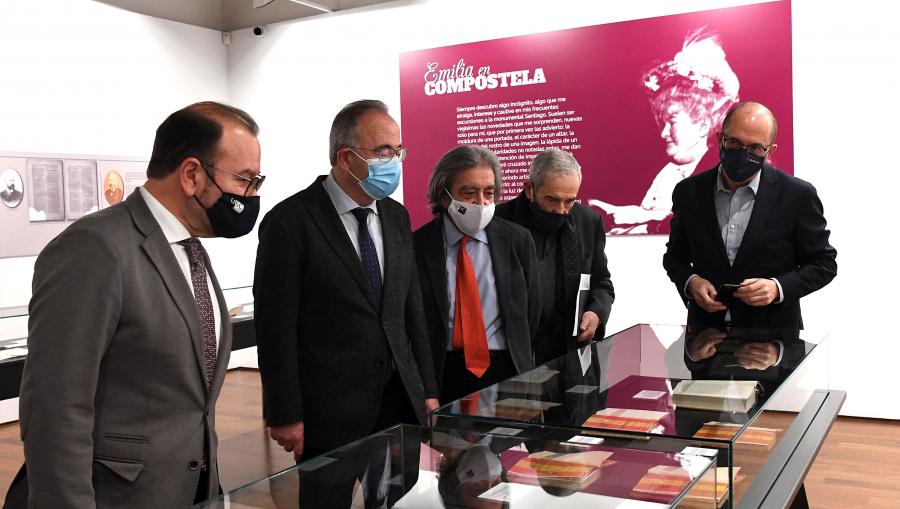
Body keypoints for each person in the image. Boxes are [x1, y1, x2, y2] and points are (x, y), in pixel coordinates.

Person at [13, 101, 263, 508]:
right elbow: (54, 407)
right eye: (245, 179)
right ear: (192, 174)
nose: (251, 194)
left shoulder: (191, 248)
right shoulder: (95, 248)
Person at [253, 99, 438, 462]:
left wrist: (426, 389)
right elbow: (275, 328)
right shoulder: (291, 223)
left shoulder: (397, 217)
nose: (394, 161)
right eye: (383, 151)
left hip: (398, 398)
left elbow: (411, 311)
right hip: (329, 410)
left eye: (397, 150)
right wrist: (285, 412)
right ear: (345, 157)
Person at [662, 101, 837, 329]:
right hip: (705, 338)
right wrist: (690, 282)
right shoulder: (688, 192)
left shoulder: (797, 195)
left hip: (774, 342)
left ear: (770, 151)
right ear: (719, 139)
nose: (743, 154)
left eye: (755, 147)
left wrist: (778, 288)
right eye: (734, 142)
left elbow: (824, 263)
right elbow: (675, 257)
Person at [413, 145, 540, 404]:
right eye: (469, 192)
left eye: (489, 192)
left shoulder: (517, 240)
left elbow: (531, 312)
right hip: (443, 375)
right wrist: (426, 390)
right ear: (444, 195)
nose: (481, 202)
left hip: (507, 370)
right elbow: (415, 325)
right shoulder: (417, 245)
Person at [591, 29, 740, 234]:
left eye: (673, 122)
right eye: (662, 123)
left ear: (703, 126)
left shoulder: (722, 175)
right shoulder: (668, 173)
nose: (663, 133)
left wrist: (647, 222)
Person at [496, 149, 615, 364]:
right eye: (551, 200)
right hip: (513, 355)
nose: (561, 210)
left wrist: (596, 313)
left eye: (569, 201)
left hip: (571, 351)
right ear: (529, 189)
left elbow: (601, 282)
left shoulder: (588, 221)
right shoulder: (499, 222)